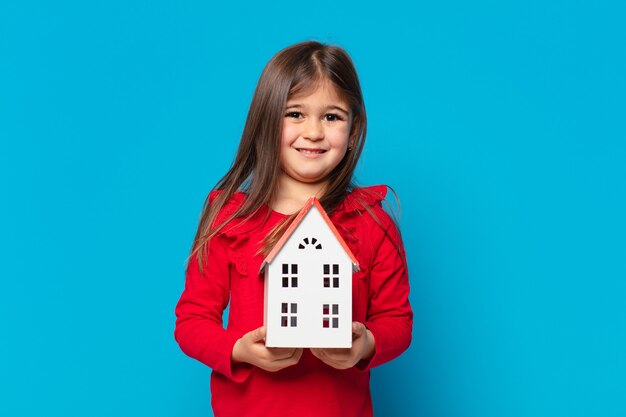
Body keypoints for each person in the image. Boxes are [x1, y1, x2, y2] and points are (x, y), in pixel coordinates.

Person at [174, 40, 413, 417]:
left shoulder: (372, 222)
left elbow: (396, 320)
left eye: (332, 116)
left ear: (353, 131)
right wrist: (238, 350)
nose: (314, 132)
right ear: (267, 122)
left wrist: (366, 343)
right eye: (295, 114)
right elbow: (192, 321)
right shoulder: (230, 218)